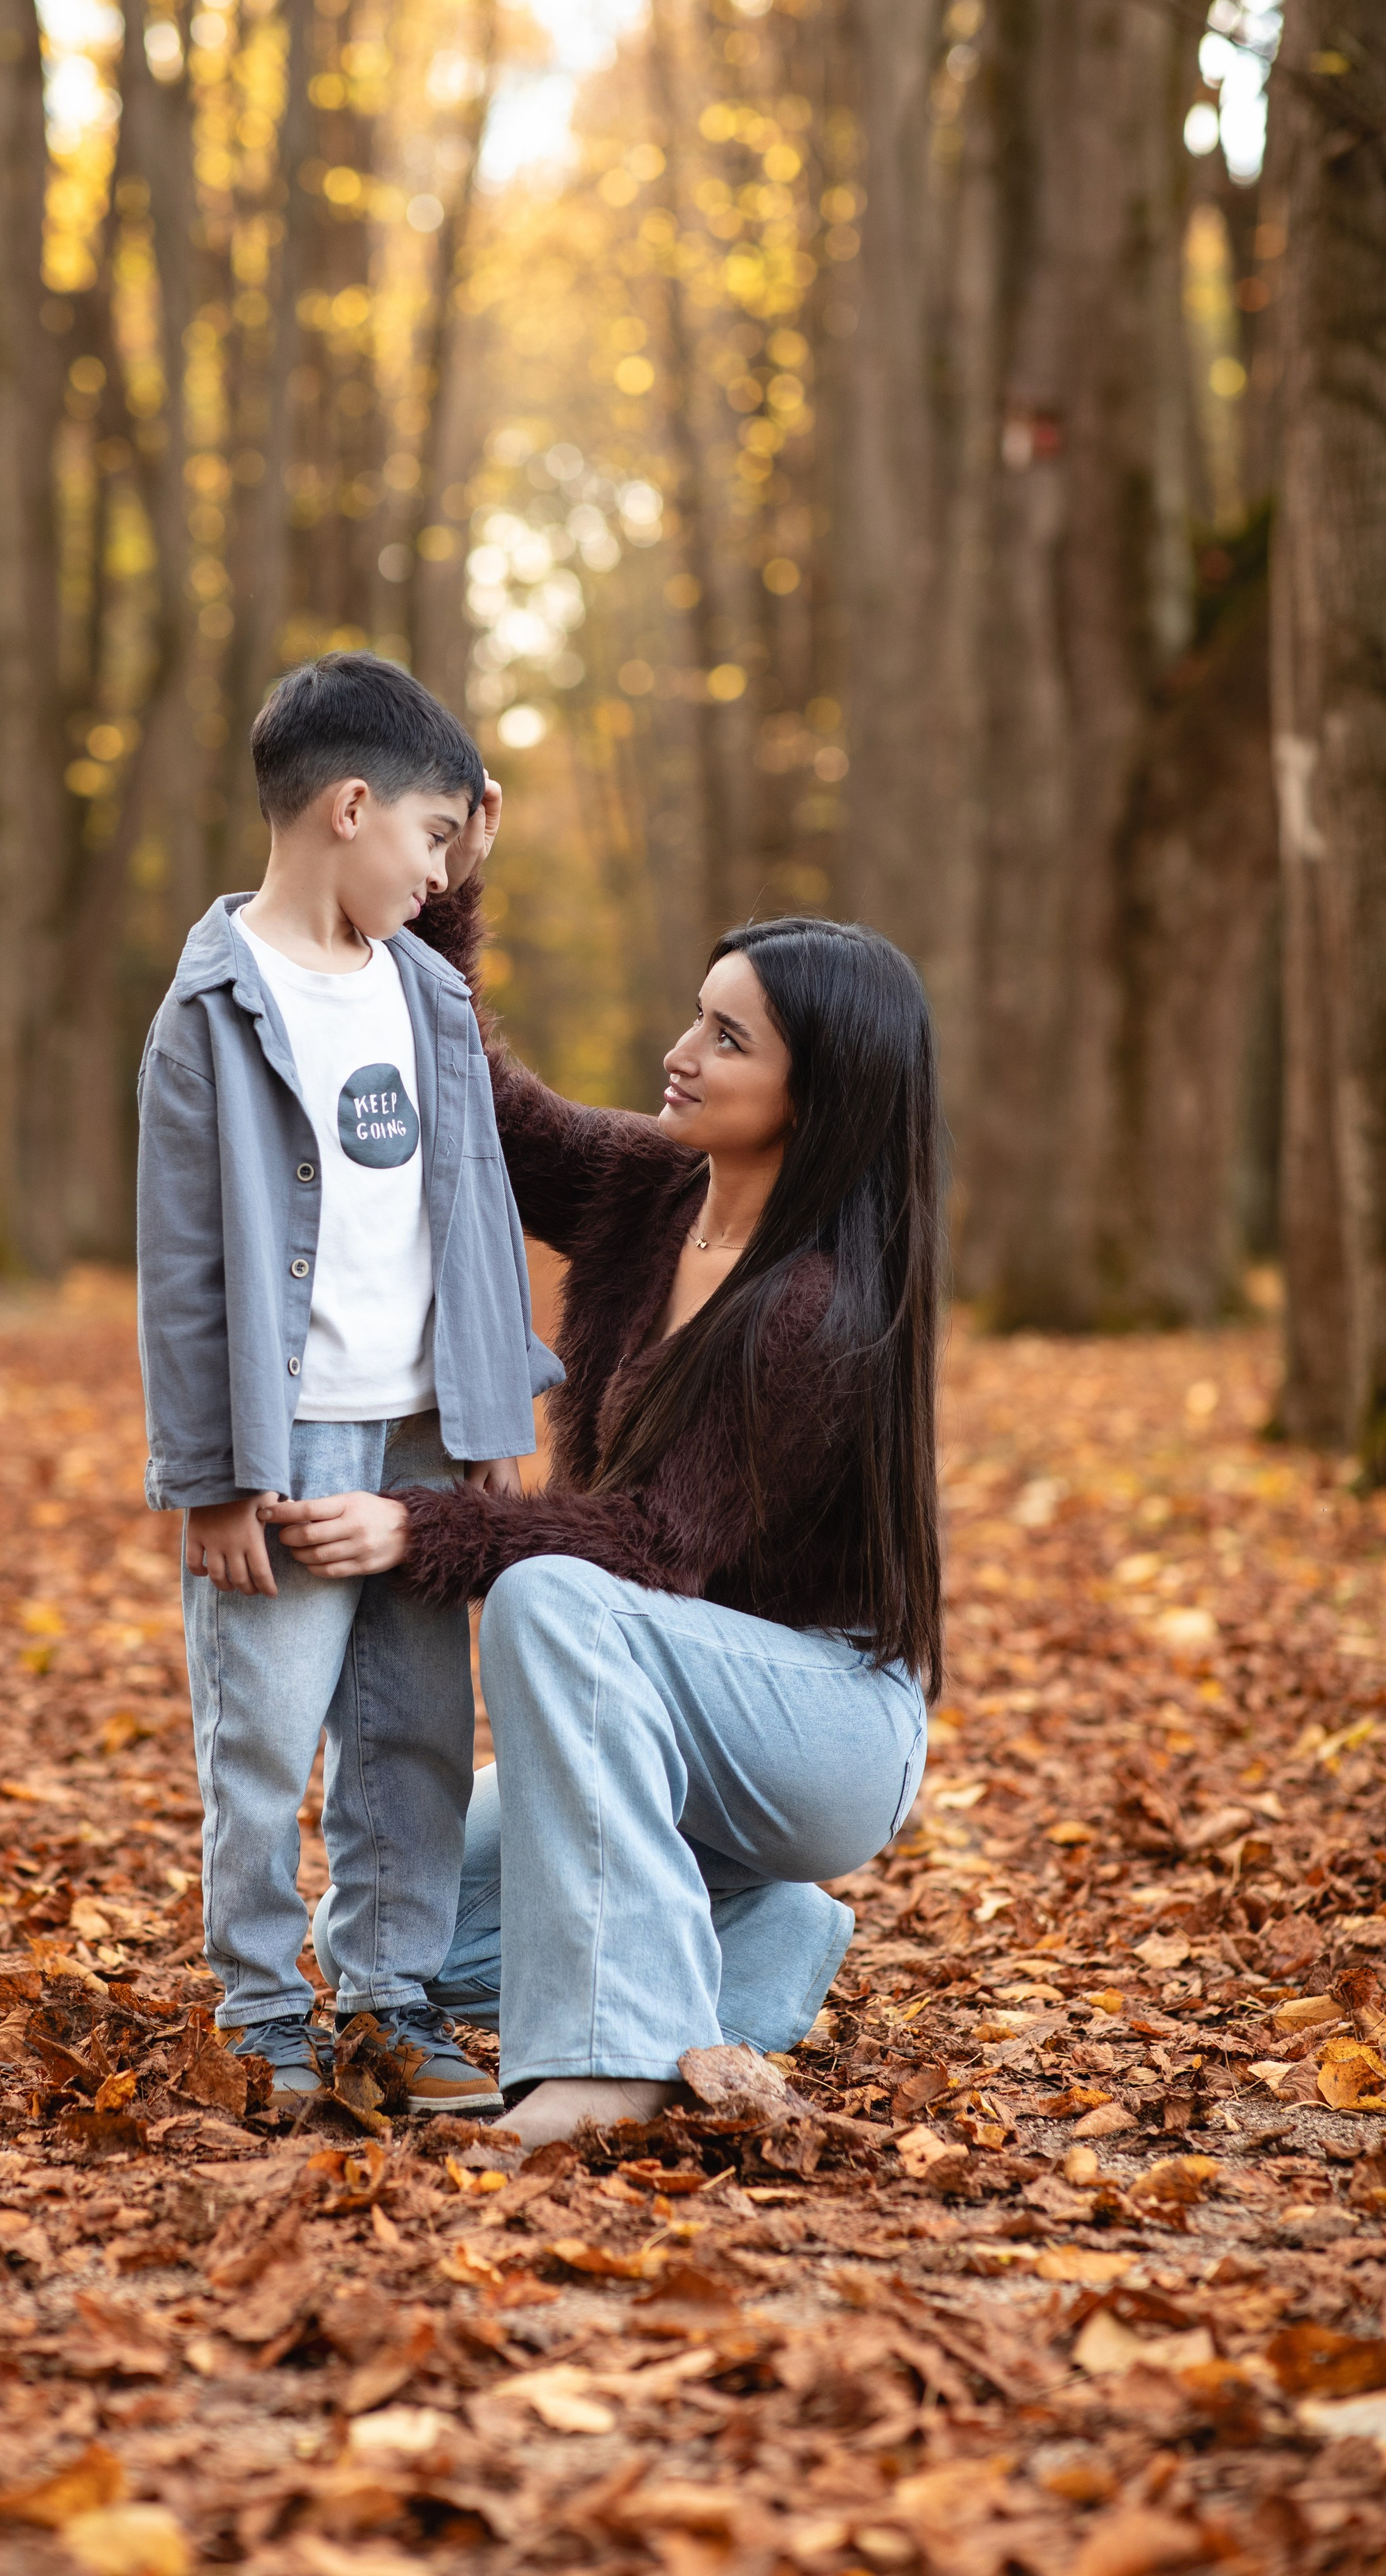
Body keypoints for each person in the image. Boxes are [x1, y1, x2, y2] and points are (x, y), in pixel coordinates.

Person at [276, 784, 941, 2149]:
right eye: (696, 1016)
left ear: (815, 1095)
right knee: (389, 1924)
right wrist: (441, 897)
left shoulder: (814, 1308)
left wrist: (420, 1527)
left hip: (814, 1726)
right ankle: (754, 1946)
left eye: (726, 1036)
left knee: (552, 1597)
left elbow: (649, 1549)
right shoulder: (654, 1194)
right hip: (646, 1703)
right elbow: (491, 1113)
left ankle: (601, 2065)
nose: (679, 1050)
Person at [135, 654, 561, 2117]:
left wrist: (492, 1417)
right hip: (284, 1445)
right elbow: (184, 1265)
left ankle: (388, 2000)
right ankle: (261, 2015)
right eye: (432, 840)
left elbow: (475, 1213)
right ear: (350, 808)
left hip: (425, 1434)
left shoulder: (428, 996)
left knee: (414, 1734)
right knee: (260, 1739)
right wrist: (204, 1483)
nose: (441, 872)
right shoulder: (213, 1009)